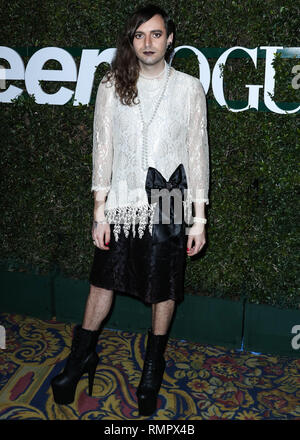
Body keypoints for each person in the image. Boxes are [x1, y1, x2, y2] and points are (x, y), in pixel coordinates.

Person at [51, 3, 209, 417]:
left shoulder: (189, 88)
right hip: (120, 200)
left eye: (155, 34)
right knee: (101, 284)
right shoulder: (111, 83)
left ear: (170, 38)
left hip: (170, 198)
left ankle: (152, 369)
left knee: (164, 288)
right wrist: (98, 209)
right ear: (131, 41)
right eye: (139, 35)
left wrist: (199, 218)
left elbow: (197, 153)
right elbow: (102, 146)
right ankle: (80, 358)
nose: (148, 43)